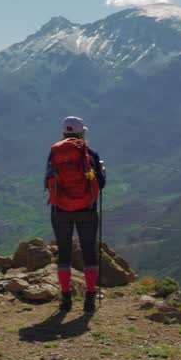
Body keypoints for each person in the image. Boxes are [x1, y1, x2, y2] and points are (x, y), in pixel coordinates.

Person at [44, 116, 106, 313]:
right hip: (86, 210)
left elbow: (48, 181)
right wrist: (102, 172)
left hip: (60, 210)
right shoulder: (90, 154)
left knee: (64, 253)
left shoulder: (54, 153)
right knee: (89, 252)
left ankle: (66, 299)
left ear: (64, 133)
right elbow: (100, 184)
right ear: (82, 133)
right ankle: (89, 299)